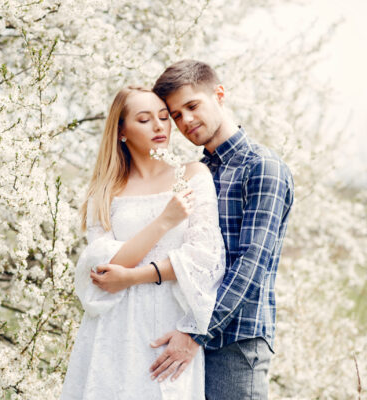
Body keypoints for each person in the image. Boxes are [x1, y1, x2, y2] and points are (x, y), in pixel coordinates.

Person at [60, 86, 226, 400]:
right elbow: (106, 271)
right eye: (145, 119)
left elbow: (204, 258)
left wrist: (134, 276)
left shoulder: (193, 174)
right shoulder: (105, 190)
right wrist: (164, 221)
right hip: (111, 329)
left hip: (169, 325)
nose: (160, 126)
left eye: (164, 117)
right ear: (122, 130)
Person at [145, 60, 294, 399]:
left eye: (192, 106)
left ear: (219, 95)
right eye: (176, 114)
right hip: (187, 331)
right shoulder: (195, 174)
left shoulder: (262, 167)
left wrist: (197, 332)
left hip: (236, 342)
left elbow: (250, 264)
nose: (186, 121)